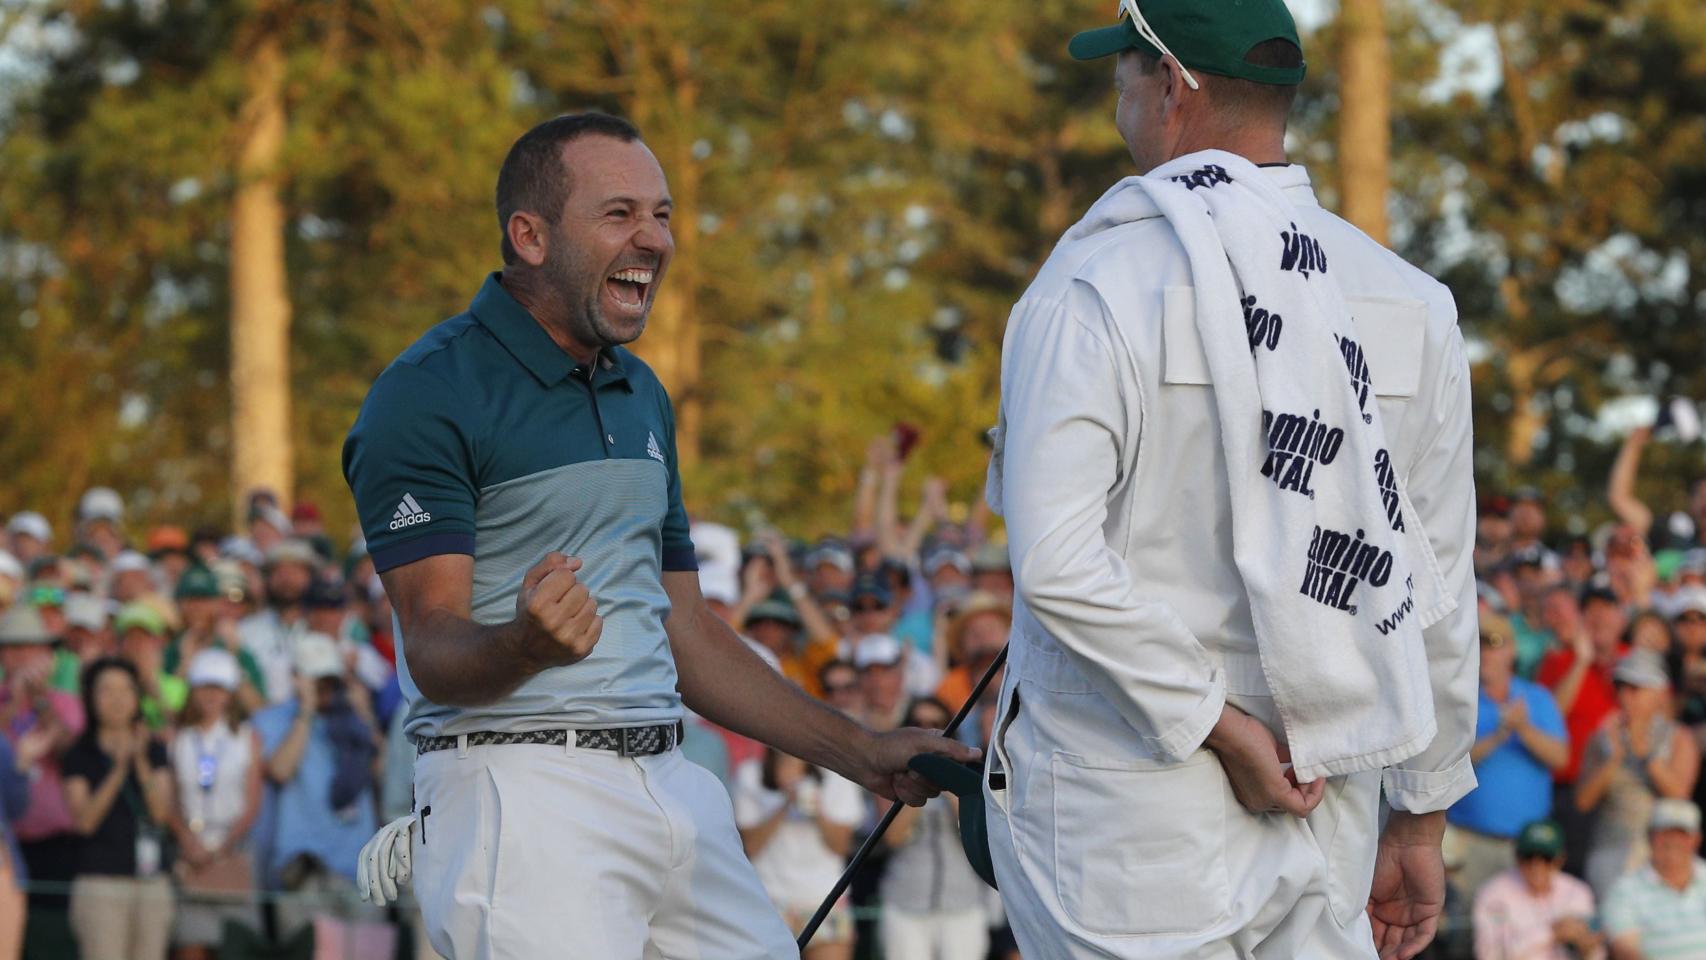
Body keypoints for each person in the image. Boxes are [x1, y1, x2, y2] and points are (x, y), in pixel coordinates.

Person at [342, 112, 973, 958]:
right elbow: (430, 644)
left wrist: (860, 751)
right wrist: (525, 643)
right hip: (519, 794)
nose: (655, 239)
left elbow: (687, 632)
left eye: (663, 214)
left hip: (675, 782)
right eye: (620, 213)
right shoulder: (426, 393)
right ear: (529, 236)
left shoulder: (642, 393)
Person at [985, 4, 1478, 958]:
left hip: (1122, 805)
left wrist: (1216, 724)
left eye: (1124, 72)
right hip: (1331, 799)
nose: (1117, 95)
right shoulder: (1411, 302)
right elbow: (1436, 585)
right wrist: (1419, 814)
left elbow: (1055, 565)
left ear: (1172, 84)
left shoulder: (1093, 282)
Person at [252, 633, 380, 935]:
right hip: (304, 868)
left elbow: (378, 769)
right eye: (315, 679)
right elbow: (281, 769)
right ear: (296, 678)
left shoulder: (352, 721)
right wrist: (306, 712)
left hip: (359, 868)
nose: (324, 688)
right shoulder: (272, 720)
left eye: (328, 679)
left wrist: (365, 715)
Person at [1447, 612, 1569, 904]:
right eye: (1480, 644)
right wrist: (1499, 735)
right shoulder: (1459, 700)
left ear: (1511, 651)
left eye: (1494, 644)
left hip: (1527, 849)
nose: (1486, 652)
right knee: (1465, 933)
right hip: (1471, 841)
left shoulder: (1537, 698)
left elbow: (1560, 757)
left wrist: (1524, 729)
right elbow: (1449, 763)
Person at [61, 657, 177, 960]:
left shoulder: (154, 749)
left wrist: (139, 763)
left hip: (151, 882)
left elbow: (161, 814)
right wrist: (118, 769)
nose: (117, 699)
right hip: (100, 883)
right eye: (106, 690)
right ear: (90, 697)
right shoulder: (79, 753)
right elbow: (84, 821)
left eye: (126, 690)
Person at [1575, 650, 1700, 899]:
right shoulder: (1602, 738)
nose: (1625, 697)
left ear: (1659, 694)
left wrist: (1647, 755)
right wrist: (1613, 759)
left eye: (1636, 689)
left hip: (1663, 856)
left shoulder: (1679, 737)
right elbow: (1582, 802)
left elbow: (1680, 794)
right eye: (1621, 688)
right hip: (1609, 850)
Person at [168, 649, 263, 960]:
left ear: (230, 694)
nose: (211, 695)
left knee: (237, 944)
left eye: (219, 687)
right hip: (190, 849)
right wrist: (186, 839)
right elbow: (171, 799)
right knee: (191, 944)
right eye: (204, 687)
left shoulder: (247, 737)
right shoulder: (178, 737)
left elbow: (251, 803)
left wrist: (223, 845)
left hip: (233, 847)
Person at [879, 698, 991, 960]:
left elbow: (974, 830)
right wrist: (916, 775)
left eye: (936, 725)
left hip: (962, 903)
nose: (926, 732)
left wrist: (950, 778)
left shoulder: (972, 773)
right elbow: (894, 837)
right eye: (917, 725)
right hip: (906, 901)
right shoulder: (891, 776)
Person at [732, 747, 865, 960]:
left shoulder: (838, 777)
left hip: (824, 900)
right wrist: (785, 803)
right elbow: (751, 846)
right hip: (769, 901)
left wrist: (815, 809)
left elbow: (841, 846)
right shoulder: (750, 774)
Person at [1471, 819, 1604, 960]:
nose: (1537, 866)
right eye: (1529, 857)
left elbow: (1597, 954)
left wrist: (1587, 947)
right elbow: (1491, 955)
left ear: (1560, 859)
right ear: (1517, 857)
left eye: (1546, 858)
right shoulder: (1494, 893)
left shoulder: (1577, 891)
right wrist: (1550, 932)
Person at [1602, 799, 1706, 959]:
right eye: (1664, 834)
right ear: (1650, 837)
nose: (1672, 841)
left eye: (1682, 834)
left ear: (1696, 839)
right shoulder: (1624, 890)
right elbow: (1625, 951)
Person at [237, 539, 318, 704]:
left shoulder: (325, 625)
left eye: (295, 571)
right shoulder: (246, 630)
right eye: (279, 572)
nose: (286, 579)